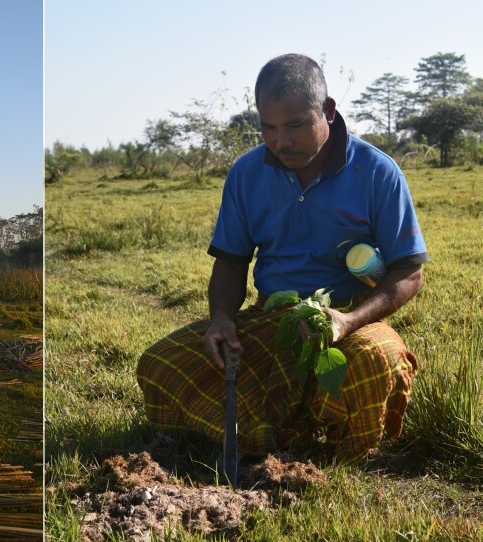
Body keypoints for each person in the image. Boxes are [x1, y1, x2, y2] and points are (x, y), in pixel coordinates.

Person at [136, 53, 430, 462]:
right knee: (161, 366)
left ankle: (328, 447)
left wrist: (347, 322)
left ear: (327, 111)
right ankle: (284, 436)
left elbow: (409, 272)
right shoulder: (246, 173)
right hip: (274, 317)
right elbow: (232, 262)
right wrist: (221, 317)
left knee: (381, 360)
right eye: (268, 128)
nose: (281, 142)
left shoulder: (377, 172)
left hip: (349, 319)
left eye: (294, 125)